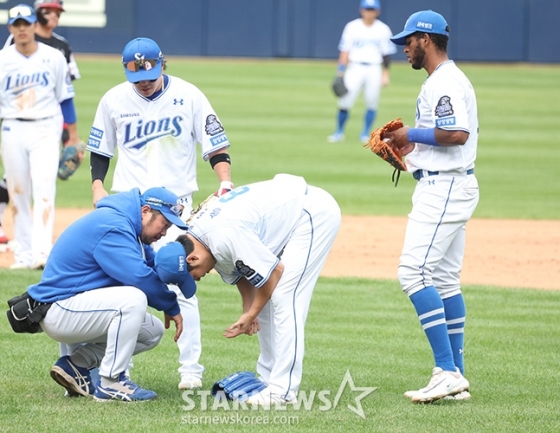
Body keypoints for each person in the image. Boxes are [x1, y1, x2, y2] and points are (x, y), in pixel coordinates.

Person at [86, 37, 233, 390]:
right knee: (120, 289)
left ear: (162, 64)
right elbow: (100, 149)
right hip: (129, 207)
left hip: (176, 210)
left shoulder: (189, 95)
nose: (144, 82)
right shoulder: (113, 100)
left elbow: (215, 144)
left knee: (184, 281)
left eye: (149, 74)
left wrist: (225, 182)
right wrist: (97, 187)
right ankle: (116, 371)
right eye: (136, 77)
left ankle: (190, 371)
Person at [177, 173, 341, 406]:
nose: (197, 280)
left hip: (310, 211)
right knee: (264, 299)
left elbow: (272, 274)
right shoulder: (199, 239)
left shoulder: (222, 235)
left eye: (192, 276)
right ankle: (268, 379)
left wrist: (251, 313)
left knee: (285, 296)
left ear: (192, 258)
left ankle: (282, 391)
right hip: (286, 216)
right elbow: (244, 271)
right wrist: (249, 309)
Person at [385, 10, 480, 403]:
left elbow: (457, 133)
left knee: (412, 272)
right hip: (449, 183)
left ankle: (445, 370)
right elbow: (442, 135)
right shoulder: (443, 81)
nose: (404, 47)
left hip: (444, 188)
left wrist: (412, 133)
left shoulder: (444, 82)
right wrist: (412, 145)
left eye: (408, 39)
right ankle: (455, 375)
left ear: (426, 39)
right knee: (443, 281)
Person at [27, 186, 193, 402]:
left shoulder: (128, 227)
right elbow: (139, 277)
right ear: (145, 211)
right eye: (165, 224)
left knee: (152, 331)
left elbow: (149, 263)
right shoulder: (113, 226)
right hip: (59, 310)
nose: (164, 233)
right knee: (133, 299)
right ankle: (112, 382)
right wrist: (170, 305)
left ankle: (76, 366)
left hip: (76, 307)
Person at [0, 4, 82, 270]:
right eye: (17, 25)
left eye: (26, 23)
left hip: (46, 128)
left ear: (34, 25)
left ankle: (42, 254)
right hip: (12, 127)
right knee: (18, 192)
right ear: (11, 28)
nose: (22, 29)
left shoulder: (53, 57)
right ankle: (23, 255)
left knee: (44, 190)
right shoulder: (3, 60)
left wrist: (72, 137)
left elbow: (66, 98)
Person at [328, 0, 396, 144]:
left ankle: (365, 133)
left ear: (378, 11)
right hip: (355, 67)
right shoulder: (352, 27)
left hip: (374, 68)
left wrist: (385, 74)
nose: (369, 12)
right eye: (367, 9)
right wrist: (340, 72)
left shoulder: (383, 29)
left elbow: (387, 55)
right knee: (345, 100)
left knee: (372, 101)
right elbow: (345, 51)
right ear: (361, 10)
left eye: (372, 9)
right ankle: (339, 132)